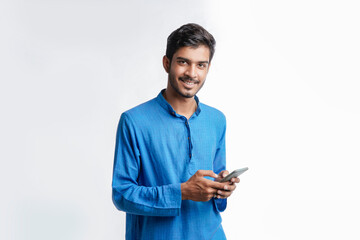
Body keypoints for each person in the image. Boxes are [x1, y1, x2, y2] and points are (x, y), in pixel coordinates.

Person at [112, 23, 240, 240]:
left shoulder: (217, 120)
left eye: (201, 65)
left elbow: (217, 193)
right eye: (183, 62)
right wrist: (181, 192)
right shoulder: (133, 121)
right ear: (167, 63)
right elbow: (122, 194)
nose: (192, 73)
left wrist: (223, 188)